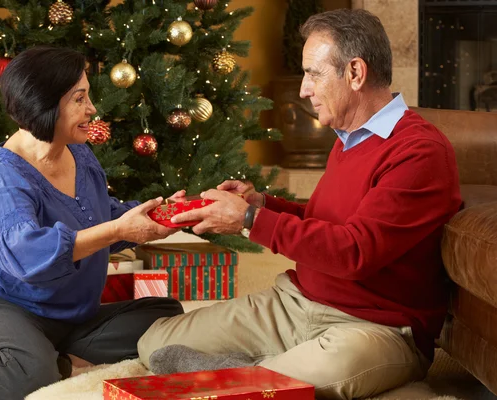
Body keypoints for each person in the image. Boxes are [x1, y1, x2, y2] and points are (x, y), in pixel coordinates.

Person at [137, 9, 462, 400]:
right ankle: (263, 375)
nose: (304, 89)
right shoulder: (349, 138)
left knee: (299, 379)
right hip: (296, 303)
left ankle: (256, 378)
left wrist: (249, 220)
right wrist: (262, 203)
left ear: (355, 73)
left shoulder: (419, 151)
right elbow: (327, 223)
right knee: (154, 343)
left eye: (313, 74)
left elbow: (354, 251)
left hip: (376, 329)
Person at [0, 46, 184, 399]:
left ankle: (46, 357)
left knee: (165, 316)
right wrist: (119, 230)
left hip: (67, 314)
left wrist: (160, 216)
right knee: (30, 373)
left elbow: (97, 218)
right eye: (80, 98)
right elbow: (28, 258)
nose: (92, 109)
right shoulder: (3, 177)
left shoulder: (78, 152)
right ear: (45, 104)